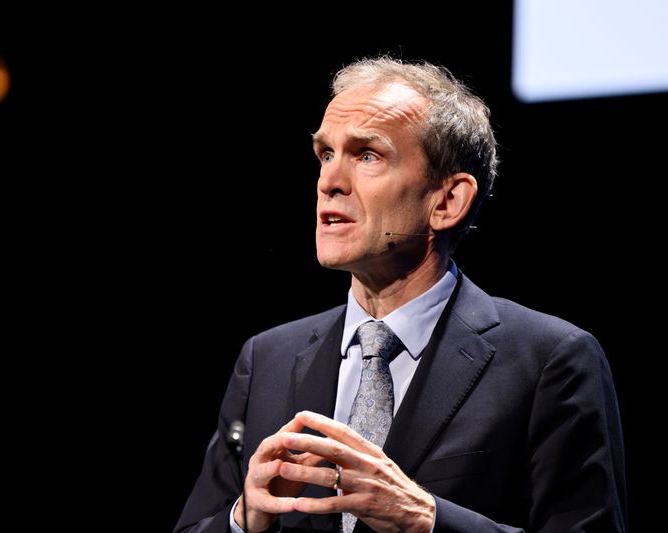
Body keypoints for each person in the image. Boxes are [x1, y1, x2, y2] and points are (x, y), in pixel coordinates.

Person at [175, 57, 626, 533]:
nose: (329, 181)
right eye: (325, 154)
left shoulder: (549, 361)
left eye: (367, 155)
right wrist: (245, 521)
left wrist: (426, 519)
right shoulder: (266, 358)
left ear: (447, 201)